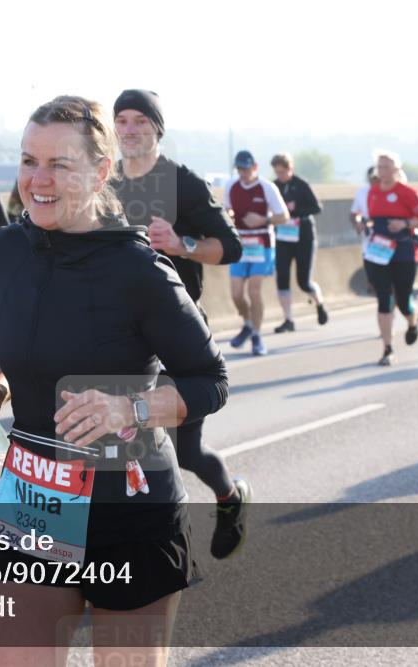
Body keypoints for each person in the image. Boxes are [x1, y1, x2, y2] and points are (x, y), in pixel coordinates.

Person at [0, 94, 228, 667]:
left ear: (101, 171)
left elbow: (209, 380)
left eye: (60, 164)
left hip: (127, 511)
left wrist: (131, 410)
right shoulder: (6, 251)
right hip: (35, 499)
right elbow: (31, 342)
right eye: (29, 161)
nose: (38, 179)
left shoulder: (140, 270)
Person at [110, 89, 249, 560]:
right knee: (125, 448)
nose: (129, 130)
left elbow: (230, 247)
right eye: (122, 121)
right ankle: (143, 548)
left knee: (182, 452)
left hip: (177, 336)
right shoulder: (105, 182)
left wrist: (182, 244)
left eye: (139, 121)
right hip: (121, 338)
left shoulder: (180, 183)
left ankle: (229, 498)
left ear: (157, 129)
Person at [365, 151, 418, 366]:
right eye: (380, 167)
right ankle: (388, 348)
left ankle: (413, 321)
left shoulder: (407, 193)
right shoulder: (373, 192)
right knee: (383, 299)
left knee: (403, 300)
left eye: (386, 167)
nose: (382, 171)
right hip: (378, 251)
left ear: (396, 169)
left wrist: (404, 224)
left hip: (403, 250)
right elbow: (371, 216)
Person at [224, 150, 290, 356]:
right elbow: (227, 211)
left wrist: (264, 220)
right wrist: (229, 217)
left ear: (255, 167)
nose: (243, 173)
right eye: (240, 169)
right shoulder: (231, 186)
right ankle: (248, 323)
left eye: (246, 168)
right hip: (241, 243)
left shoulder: (266, 187)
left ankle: (256, 336)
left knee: (254, 291)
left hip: (262, 244)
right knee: (236, 294)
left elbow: (284, 216)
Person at [270, 153, 328, 332]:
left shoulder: (301, 185)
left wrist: (295, 211)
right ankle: (288, 319)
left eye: (283, 172)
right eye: (277, 172)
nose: (280, 176)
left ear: (290, 169)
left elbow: (316, 207)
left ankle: (319, 303)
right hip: (283, 238)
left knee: (303, 281)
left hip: (303, 237)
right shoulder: (274, 187)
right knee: (282, 278)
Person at [350, 166, 378, 235]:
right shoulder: (361, 192)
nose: (374, 180)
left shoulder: (387, 192)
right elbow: (355, 213)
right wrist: (358, 222)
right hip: (368, 236)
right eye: (372, 178)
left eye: (376, 178)